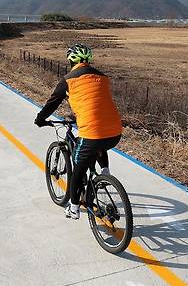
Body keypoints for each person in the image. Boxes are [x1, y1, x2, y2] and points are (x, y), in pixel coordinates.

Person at [34, 43, 123, 220]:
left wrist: (40, 119)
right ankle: (105, 174)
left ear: (70, 60)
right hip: (115, 131)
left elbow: (53, 102)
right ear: (88, 60)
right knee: (98, 143)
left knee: (78, 169)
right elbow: (95, 102)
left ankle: (73, 208)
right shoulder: (103, 77)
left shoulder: (68, 79)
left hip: (92, 132)